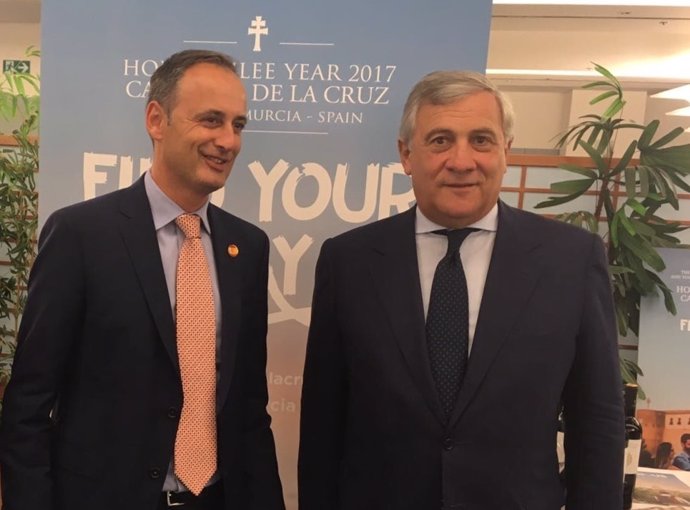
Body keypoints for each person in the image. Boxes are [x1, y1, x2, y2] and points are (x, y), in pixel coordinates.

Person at [298, 70, 625, 509]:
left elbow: (597, 421)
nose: (461, 160)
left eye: (482, 140)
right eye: (440, 140)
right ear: (406, 154)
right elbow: (323, 423)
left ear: (506, 151)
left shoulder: (571, 260)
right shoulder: (348, 262)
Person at [0, 50, 285, 510]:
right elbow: (29, 403)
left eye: (238, 125)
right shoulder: (80, 236)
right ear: (157, 119)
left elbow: (250, 406)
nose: (228, 141)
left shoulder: (247, 247)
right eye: (211, 120)